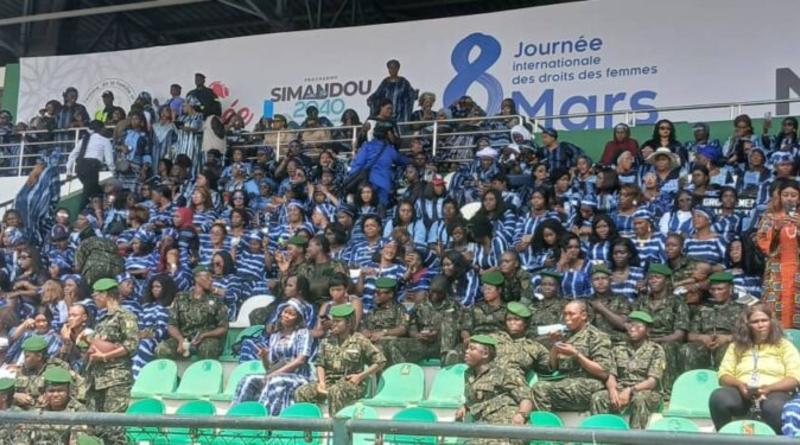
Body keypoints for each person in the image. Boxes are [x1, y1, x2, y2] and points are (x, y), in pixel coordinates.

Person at [704, 304, 799, 434]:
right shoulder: (736, 346)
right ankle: (725, 439)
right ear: (747, 325)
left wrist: (768, 388)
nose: (760, 325)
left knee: (774, 406)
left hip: (774, 392)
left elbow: (795, 377)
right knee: (718, 397)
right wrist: (740, 385)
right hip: (743, 392)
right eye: (755, 322)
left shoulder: (784, 346)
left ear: (771, 322)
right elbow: (723, 375)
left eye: (764, 320)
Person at [294, 304, 385, 416]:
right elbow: (320, 364)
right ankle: (308, 430)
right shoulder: (327, 341)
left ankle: (336, 428)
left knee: (335, 392)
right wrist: (321, 382)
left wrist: (360, 376)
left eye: (338, 321)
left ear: (348, 323)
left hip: (352, 385)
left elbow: (380, 361)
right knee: (301, 392)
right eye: (333, 321)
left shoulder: (359, 340)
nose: (334, 324)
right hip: (329, 382)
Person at [233, 299, 313, 415]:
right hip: (274, 374)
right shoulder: (275, 336)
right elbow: (270, 368)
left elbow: (300, 360)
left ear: (298, 318)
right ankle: (237, 417)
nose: (287, 316)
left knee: (274, 381)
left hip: (299, 376)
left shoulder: (303, 333)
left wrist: (275, 374)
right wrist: (264, 357)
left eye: (292, 314)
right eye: (285, 312)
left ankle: (263, 419)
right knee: (248, 379)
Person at [531, 300, 612, 412]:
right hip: (566, 383)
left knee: (540, 388)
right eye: (565, 314)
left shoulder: (596, 336)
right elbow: (553, 368)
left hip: (589, 385)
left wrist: (576, 354)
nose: (566, 318)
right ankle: (548, 424)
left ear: (583, 315)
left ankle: (546, 428)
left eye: (571, 314)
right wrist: (555, 344)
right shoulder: (566, 335)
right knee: (533, 390)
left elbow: (603, 372)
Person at [590, 311, 666, 429]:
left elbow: (652, 382)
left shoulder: (656, 350)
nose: (632, 329)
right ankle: (602, 437)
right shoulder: (618, 348)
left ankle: (635, 438)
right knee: (598, 397)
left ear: (647, 330)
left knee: (639, 399)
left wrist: (630, 390)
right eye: (630, 325)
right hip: (621, 388)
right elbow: (611, 376)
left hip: (647, 392)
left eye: (638, 326)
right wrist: (612, 390)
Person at [455, 334, 533, 445]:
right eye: (466, 348)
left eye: (472, 349)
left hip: (506, 423)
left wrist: (521, 415)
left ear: (485, 354)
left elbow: (526, 397)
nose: (466, 352)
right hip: (483, 424)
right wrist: (465, 407)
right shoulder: (469, 374)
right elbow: (476, 398)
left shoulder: (503, 372)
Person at [633, 264, 689, 392]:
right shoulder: (641, 301)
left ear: (667, 280)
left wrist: (656, 341)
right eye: (651, 278)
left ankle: (667, 390)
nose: (653, 280)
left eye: (657, 277)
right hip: (640, 338)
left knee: (665, 348)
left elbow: (680, 334)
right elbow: (631, 323)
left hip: (667, 340)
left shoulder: (677, 302)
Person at [155, 266, 229, 359]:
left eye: (212, 277)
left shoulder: (216, 300)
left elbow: (223, 327)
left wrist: (204, 335)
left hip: (206, 339)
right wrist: (180, 340)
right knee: (162, 349)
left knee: (207, 349)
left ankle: (203, 373)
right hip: (184, 338)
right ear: (196, 278)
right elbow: (171, 325)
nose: (211, 280)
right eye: (207, 277)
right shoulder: (181, 298)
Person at [757, 179, 800, 329]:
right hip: (776, 271)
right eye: (785, 194)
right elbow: (762, 243)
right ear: (780, 197)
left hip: (798, 271)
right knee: (774, 311)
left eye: (793, 195)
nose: (789, 198)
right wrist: (775, 229)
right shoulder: (770, 217)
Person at [681, 272, 743, 372]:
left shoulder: (742, 309)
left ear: (730, 288)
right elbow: (689, 335)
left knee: (727, 350)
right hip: (705, 343)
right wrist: (702, 338)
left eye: (720, 289)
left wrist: (727, 338)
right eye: (713, 289)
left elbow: (749, 334)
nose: (716, 292)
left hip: (729, 342)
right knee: (687, 349)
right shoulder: (703, 309)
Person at [346, 121, 408, 207]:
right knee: (381, 209)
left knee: (368, 210)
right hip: (384, 185)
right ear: (388, 134)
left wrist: (353, 177)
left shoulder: (367, 146)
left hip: (368, 184)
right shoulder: (390, 150)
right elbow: (402, 161)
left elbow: (358, 164)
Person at [22, 367, 89, 444]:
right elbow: (23, 436)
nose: (55, 395)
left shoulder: (78, 410)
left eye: (60, 391)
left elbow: (76, 440)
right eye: (51, 391)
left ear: (68, 391)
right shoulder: (39, 410)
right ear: (45, 392)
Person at [492, 302, 551, 381]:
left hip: (515, 387)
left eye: (517, 319)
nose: (512, 323)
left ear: (525, 323)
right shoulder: (493, 339)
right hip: (488, 384)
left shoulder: (535, 347)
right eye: (509, 320)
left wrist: (555, 348)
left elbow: (548, 368)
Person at [66, 120, 115, 210]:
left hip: (80, 168)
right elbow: (110, 161)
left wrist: (68, 172)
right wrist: (113, 173)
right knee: (86, 195)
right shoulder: (105, 140)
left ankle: (96, 212)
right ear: (101, 129)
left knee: (95, 191)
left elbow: (72, 155)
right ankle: (79, 216)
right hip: (92, 168)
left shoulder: (84, 140)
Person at [360, 278, 408, 365]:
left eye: (379, 293)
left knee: (379, 349)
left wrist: (384, 333)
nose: (375, 295)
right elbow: (363, 326)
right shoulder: (372, 310)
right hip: (371, 341)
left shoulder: (399, 309)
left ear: (390, 294)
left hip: (387, 342)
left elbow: (403, 329)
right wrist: (364, 331)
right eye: (374, 292)